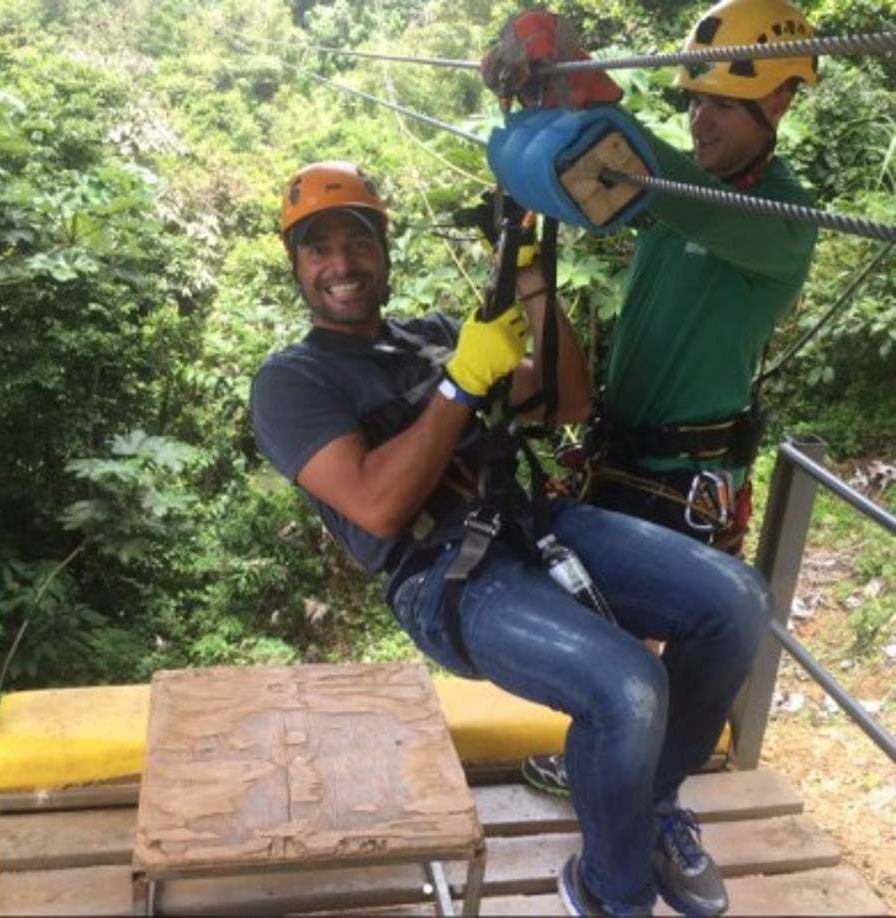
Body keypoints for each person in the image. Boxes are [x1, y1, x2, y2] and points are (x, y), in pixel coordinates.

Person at [251, 159, 773, 917]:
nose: (340, 263)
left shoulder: (433, 335)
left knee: (736, 601)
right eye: (318, 247)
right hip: (445, 576)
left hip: (533, 525)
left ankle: (649, 807)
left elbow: (563, 398)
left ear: (383, 250)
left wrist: (532, 284)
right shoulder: (292, 383)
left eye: (356, 241)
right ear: (296, 267)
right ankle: (613, 892)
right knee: (624, 687)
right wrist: (460, 386)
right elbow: (374, 506)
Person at [510, 0, 819, 818]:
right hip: (621, 446)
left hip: (684, 473)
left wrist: (584, 86)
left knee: (654, 633)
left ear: (780, 102)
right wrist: (544, 101)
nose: (699, 117)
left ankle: (643, 800)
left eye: (720, 102)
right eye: (693, 100)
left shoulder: (780, 224)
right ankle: (614, 773)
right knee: (604, 626)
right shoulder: (675, 193)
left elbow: (648, 171)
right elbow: (619, 175)